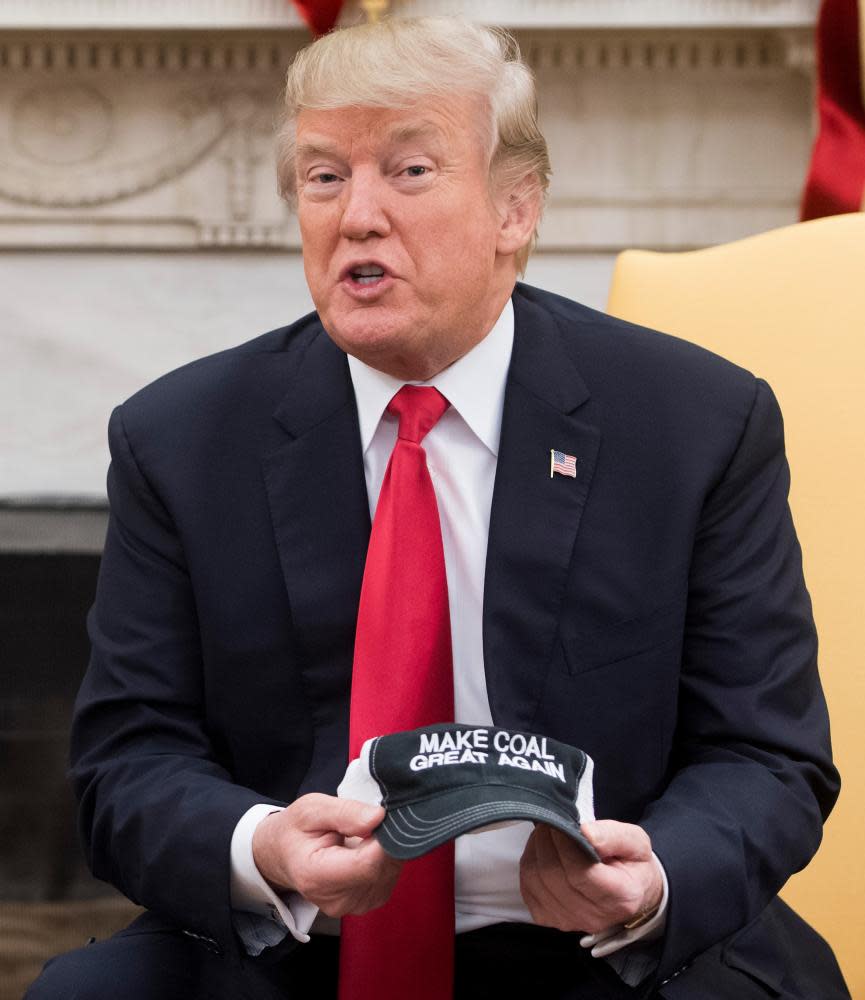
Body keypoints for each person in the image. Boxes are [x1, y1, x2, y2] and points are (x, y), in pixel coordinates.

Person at [27, 16, 848, 1000]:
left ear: (515, 208)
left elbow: (766, 753)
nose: (357, 216)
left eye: (408, 171)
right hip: (297, 943)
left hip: (609, 947)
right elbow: (128, 763)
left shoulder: (694, 424)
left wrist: (655, 873)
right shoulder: (183, 441)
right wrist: (269, 847)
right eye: (325, 177)